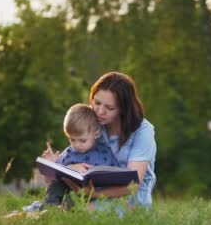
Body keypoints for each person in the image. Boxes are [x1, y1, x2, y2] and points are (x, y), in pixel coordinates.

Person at [45, 72, 157, 209]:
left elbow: (133, 185)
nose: (99, 111)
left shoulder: (143, 131)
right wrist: (65, 168)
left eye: (109, 108)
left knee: (78, 213)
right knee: (40, 212)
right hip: (86, 195)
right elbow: (56, 176)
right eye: (96, 103)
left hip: (129, 202)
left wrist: (95, 193)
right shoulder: (93, 123)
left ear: (123, 109)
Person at [43, 103, 119, 207]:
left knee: (73, 199)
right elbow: (52, 178)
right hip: (70, 188)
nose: (77, 145)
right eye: (72, 139)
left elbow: (118, 174)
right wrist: (52, 164)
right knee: (55, 186)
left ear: (96, 134)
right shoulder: (69, 152)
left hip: (91, 193)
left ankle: (65, 212)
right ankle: (48, 210)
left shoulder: (105, 153)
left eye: (82, 140)